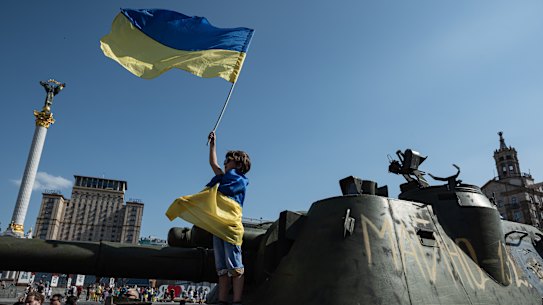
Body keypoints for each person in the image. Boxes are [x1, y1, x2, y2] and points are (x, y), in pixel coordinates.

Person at [207, 131, 251, 305]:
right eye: (225, 160)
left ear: (239, 165)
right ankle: (222, 301)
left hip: (231, 227)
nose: (224, 163)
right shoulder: (223, 177)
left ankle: (237, 301)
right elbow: (213, 163)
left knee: (235, 266)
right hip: (218, 226)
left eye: (228, 160)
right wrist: (213, 145)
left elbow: (225, 188)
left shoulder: (239, 180)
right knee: (222, 269)